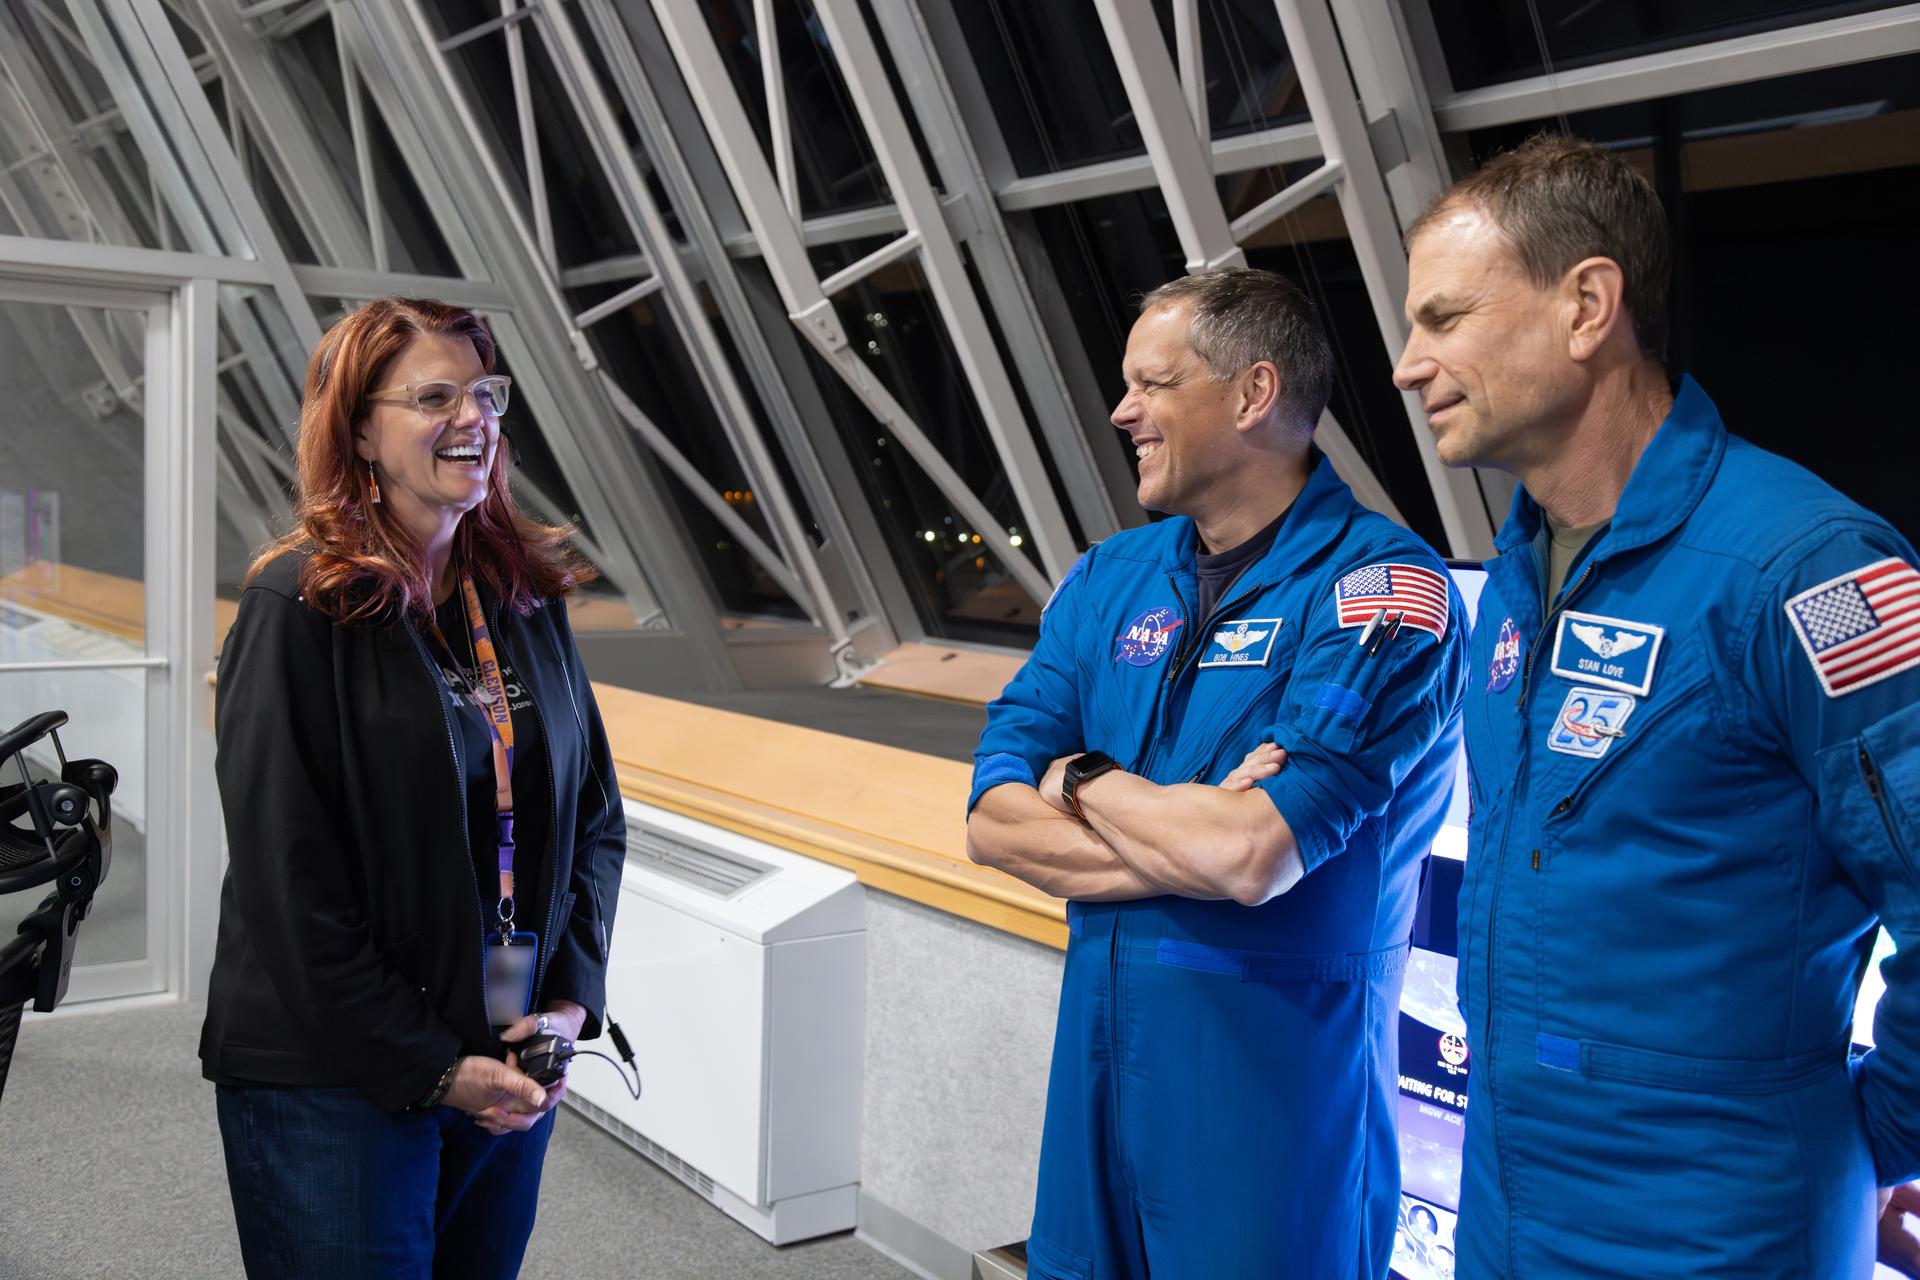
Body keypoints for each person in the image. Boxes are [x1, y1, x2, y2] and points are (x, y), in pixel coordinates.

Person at [1393, 132, 1920, 1277]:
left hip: (1719, 1224)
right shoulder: (1519, 575)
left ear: (1588, 306)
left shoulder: (1807, 567)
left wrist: (1878, 1133)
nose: (1404, 362)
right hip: (1508, 1200)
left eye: (1440, 320)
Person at [966, 269, 1467, 1279]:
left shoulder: (1382, 592)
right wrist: (1180, 829)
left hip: (1271, 1111)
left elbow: (1251, 857)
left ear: (1252, 395)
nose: (1122, 411)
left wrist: (1082, 775)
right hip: (1096, 1092)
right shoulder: (1109, 577)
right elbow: (988, 819)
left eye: (1152, 383)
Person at [200, 297, 627, 1278]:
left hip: (506, 1055)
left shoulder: (524, 599)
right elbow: (287, 883)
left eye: (485, 392)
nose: (474, 418)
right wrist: (433, 1064)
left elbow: (594, 817)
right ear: (357, 428)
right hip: (338, 1074)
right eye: (435, 396)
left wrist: (568, 1000)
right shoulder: (298, 607)